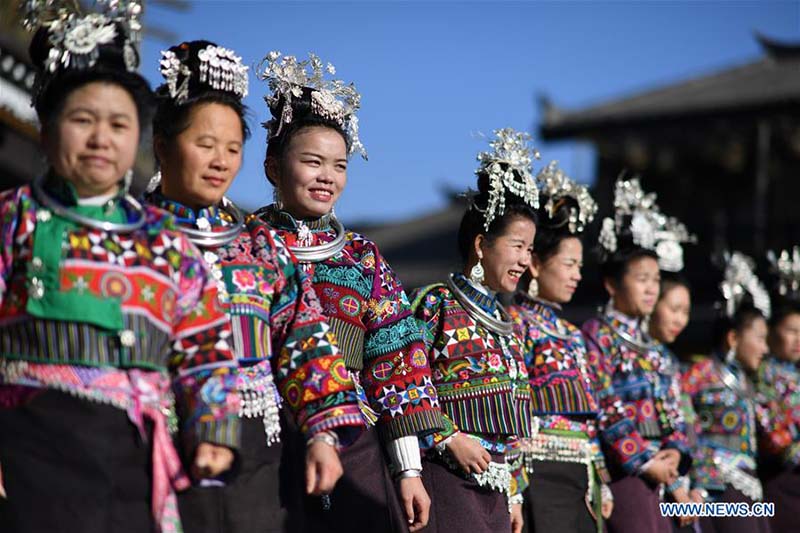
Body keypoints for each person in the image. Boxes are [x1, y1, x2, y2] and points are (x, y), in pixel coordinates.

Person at [0, 5, 239, 532]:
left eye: (118, 124)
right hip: (27, 445)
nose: (101, 139)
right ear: (47, 128)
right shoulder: (13, 219)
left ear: (138, 139)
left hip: (133, 454)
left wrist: (214, 428)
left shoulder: (167, 245)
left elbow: (205, 345)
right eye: (82, 120)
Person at [145, 40, 364, 533]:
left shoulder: (259, 245)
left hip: (257, 446)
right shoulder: (131, 239)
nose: (220, 160)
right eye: (205, 145)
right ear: (162, 143)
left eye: (232, 148)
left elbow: (304, 339)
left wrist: (324, 432)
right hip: (154, 435)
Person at [255, 51, 443, 533]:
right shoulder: (248, 245)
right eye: (312, 162)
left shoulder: (362, 257)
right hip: (268, 431)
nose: (327, 177)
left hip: (355, 439)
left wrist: (408, 470)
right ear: (274, 167)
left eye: (338, 165)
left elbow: (396, 362)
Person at [411, 128, 538, 533]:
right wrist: (448, 438)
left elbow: (514, 422)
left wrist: (514, 492)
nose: (525, 261)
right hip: (446, 479)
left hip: (498, 494)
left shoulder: (508, 325)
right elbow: (405, 381)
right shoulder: (435, 303)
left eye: (531, 249)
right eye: (517, 246)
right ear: (482, 244)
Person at [506, 161, 613, 533]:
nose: (577, 275)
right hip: (540, 472)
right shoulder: (515, 322)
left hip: (581, 473)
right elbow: (511, 405)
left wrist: (599, 469)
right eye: (569, 264)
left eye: (580, 266)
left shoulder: (572, 332)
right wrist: (515, 482)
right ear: (535, 263)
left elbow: (592, 413)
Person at [582, 177, 692, 533]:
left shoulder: (657, 350)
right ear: (612, 283)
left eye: (656, 279)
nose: (650, 288)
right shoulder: (598, 334)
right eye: (641, 278)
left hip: (667, 476)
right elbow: (605, 405)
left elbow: (675, 411)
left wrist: (675, 453)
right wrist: (644, 462)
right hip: (626, 472)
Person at [681, 251, 774, 533]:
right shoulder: (699, 375)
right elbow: (685, 426)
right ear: (733, 338)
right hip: (717, 486)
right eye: (759, 338)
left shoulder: (752, 381)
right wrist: (701, 479)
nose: (765, 348)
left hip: (750, 487)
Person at [647, 220, 704, 532]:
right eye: (675, 309)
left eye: (686, 312)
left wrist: (692, 486)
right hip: (651, 480)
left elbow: (682, 428)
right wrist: (678, 485)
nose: (681, 320)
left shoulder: (669, 360)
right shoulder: (644, 356)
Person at [754, 247, 800, 532]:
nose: (799, 339)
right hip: (781, 481)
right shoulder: (763, 374)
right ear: (772, 332)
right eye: (792, 331)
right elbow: (771, 433)